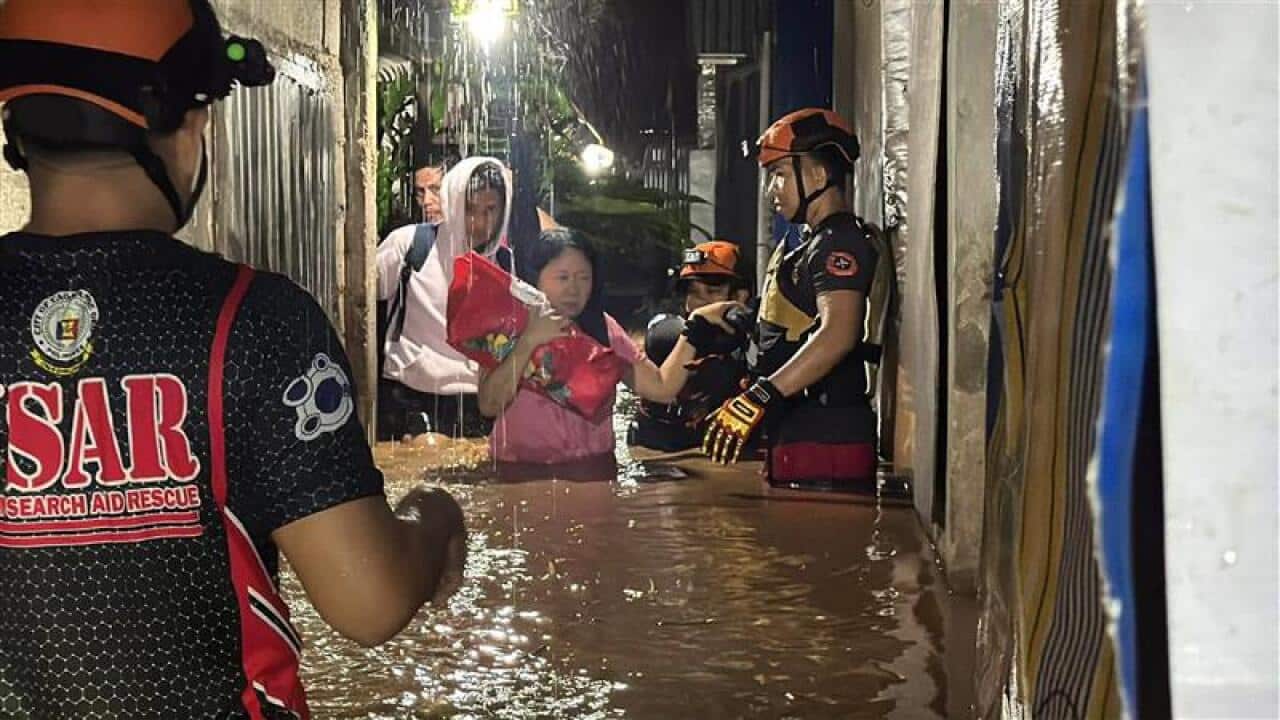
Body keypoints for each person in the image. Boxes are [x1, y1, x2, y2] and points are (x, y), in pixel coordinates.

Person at [0, 2, 467, 716]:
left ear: (18, 132)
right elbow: (368, 601)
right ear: (185, 126)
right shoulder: (251, 323)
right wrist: (434, 523)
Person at [703, 108, 880, 491]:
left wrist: (761, 394)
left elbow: (838, 334)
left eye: (780, 175)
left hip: (827, 440)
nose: (771, 191)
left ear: (817, 175)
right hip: (801, 434)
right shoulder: (807, 243)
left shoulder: (838, 245)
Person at [478, 228, 738, 465]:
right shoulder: (508, 326)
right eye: (562, 277)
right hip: (519, 472)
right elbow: (489, 405)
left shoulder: (603, 328)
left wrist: (696, 326)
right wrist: (530, 340)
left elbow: (661, 388)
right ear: (536, 277)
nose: (574, 289)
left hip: (593, 471)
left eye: (583, 278)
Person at [376, 157, 513, 440]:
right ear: (454, 203)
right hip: (413, 394)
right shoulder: (409, 244)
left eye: (491, 209)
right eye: (471, 209)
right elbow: (367, 294)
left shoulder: (505, 262)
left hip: (478, 399)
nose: (482, 222)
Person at [630, 240, 753, 451]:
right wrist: (696, 328)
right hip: (658, 452)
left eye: (712, 291)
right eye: (693, 293)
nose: (700, 303)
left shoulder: (755, 340)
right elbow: (662, 337)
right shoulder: (667, 330)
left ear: (740, 297)